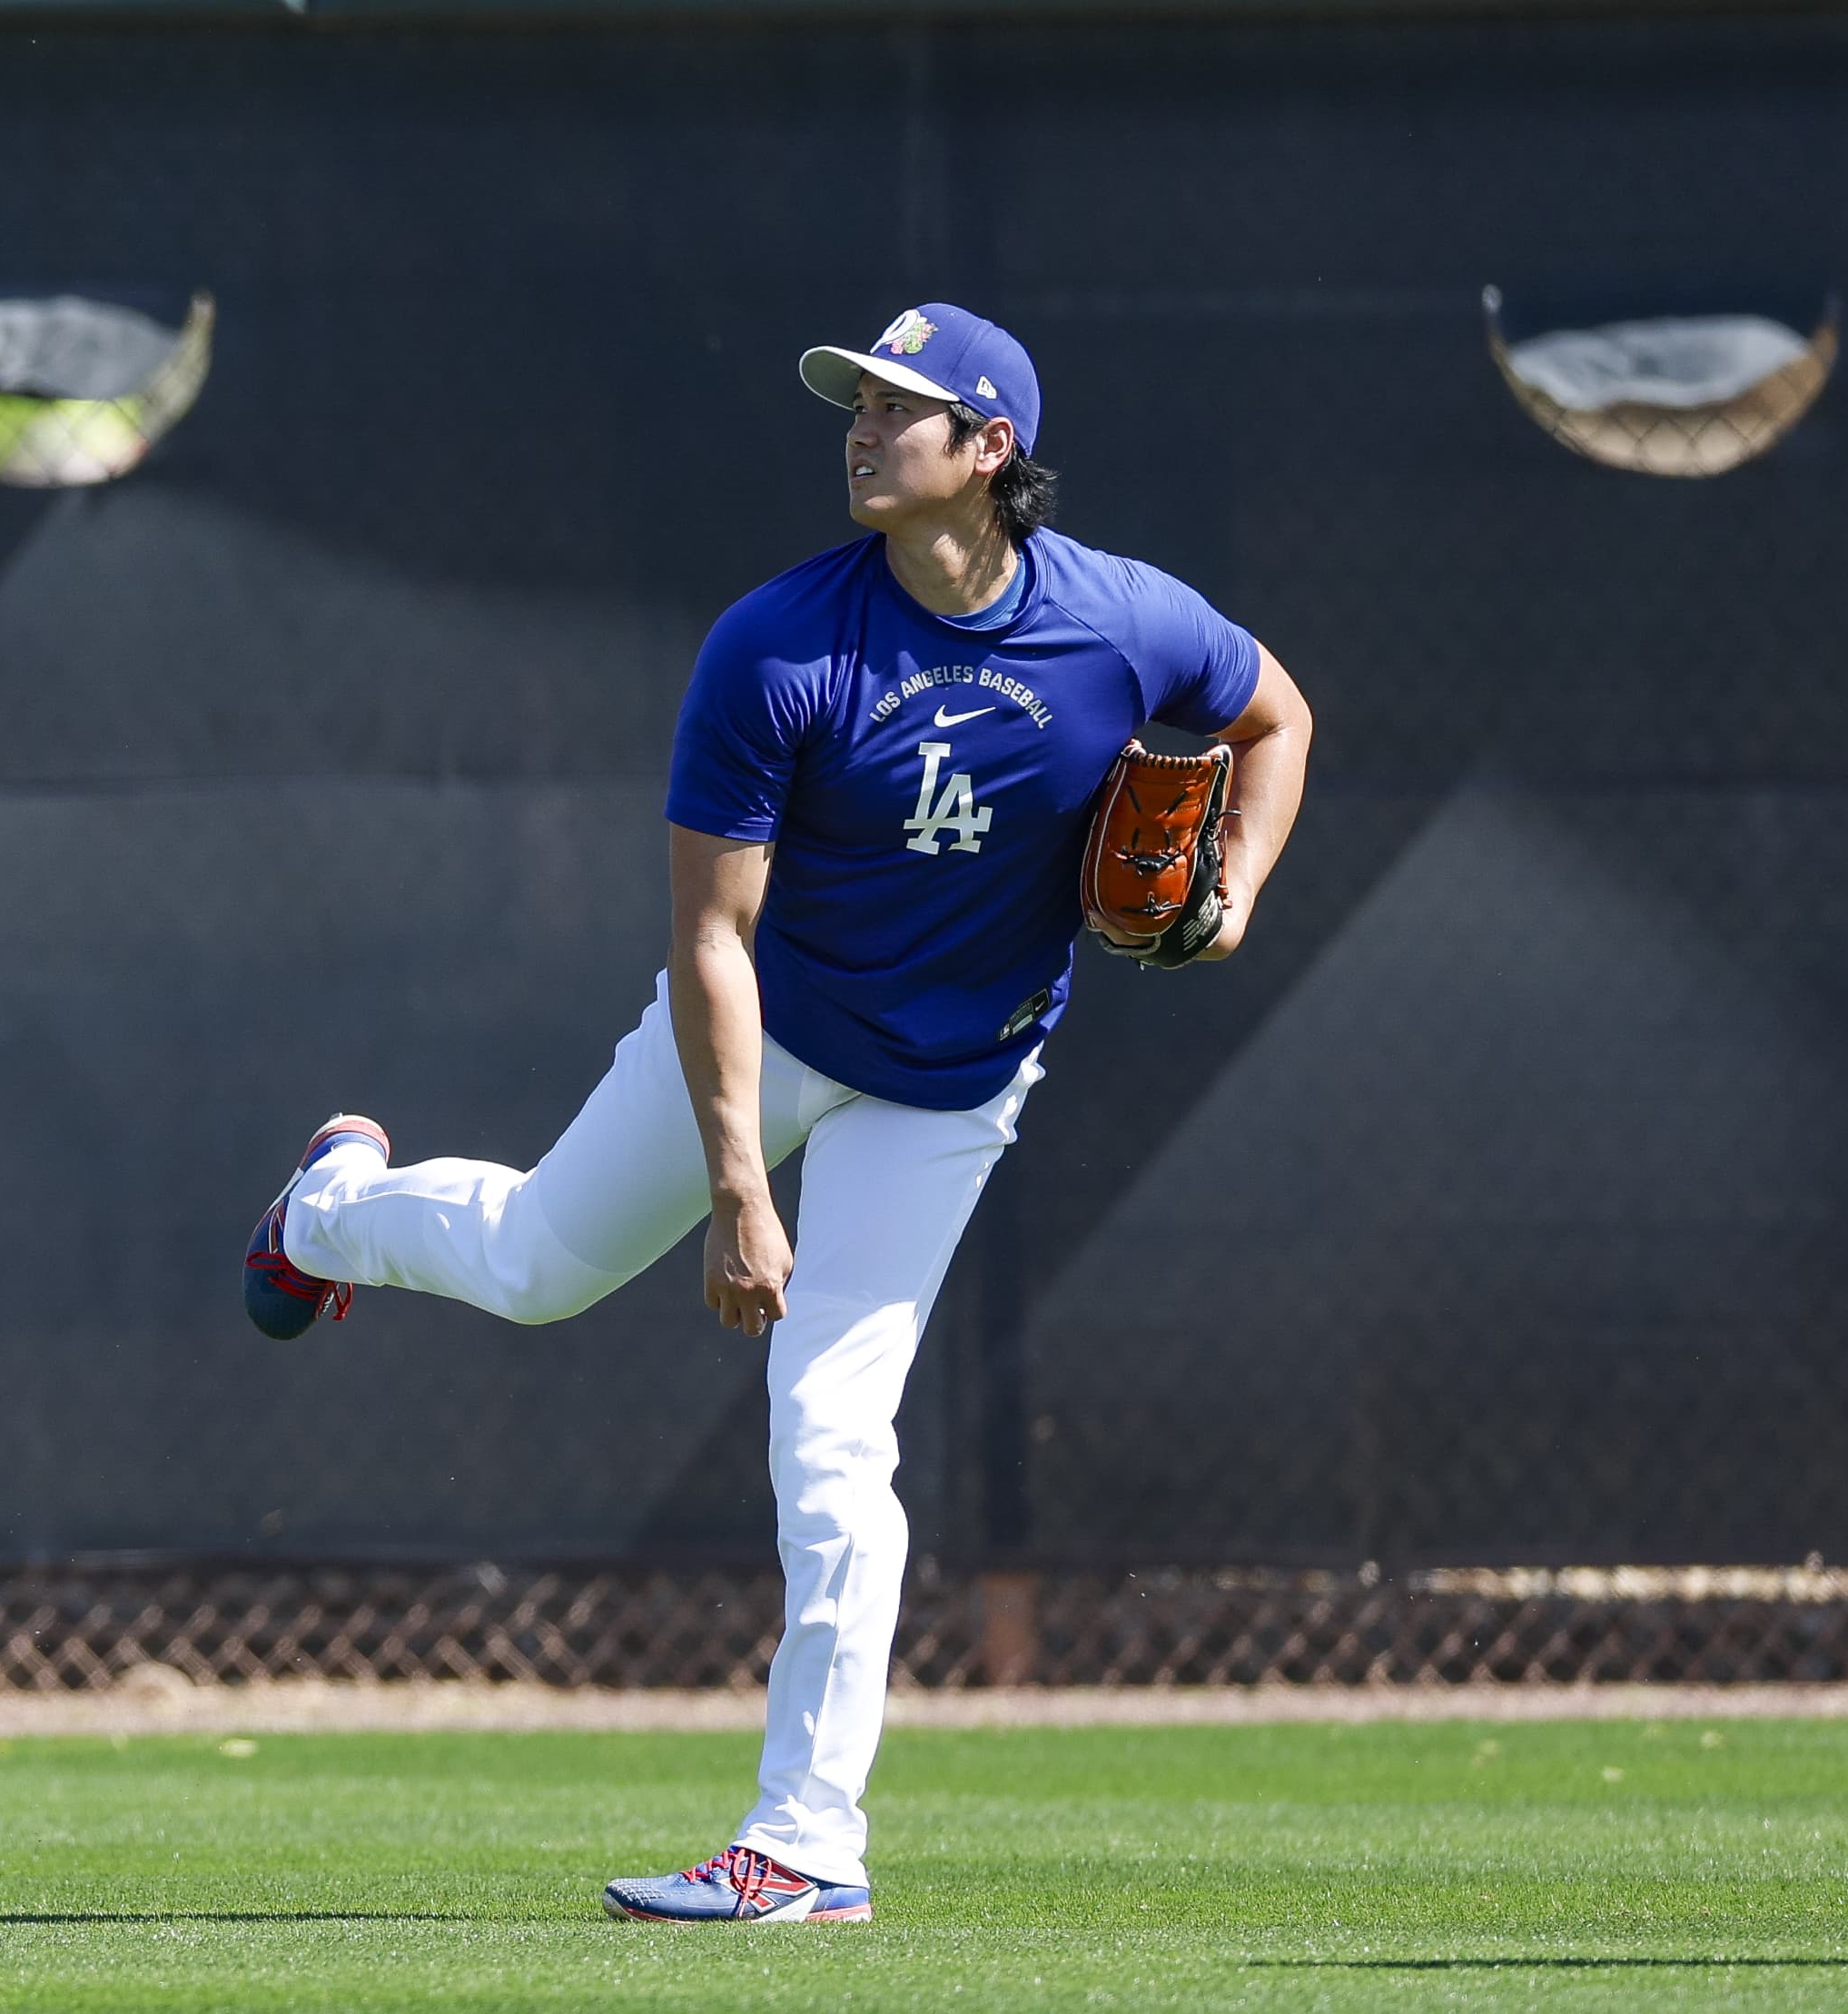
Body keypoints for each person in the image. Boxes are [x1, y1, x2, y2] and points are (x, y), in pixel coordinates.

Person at [242, 303, 1313, 1923]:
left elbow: (1277, 718)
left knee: (830, 1435)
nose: (864, 428)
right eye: (856, 403)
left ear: (992, 446)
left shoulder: (1120, 621)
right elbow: (709, 939)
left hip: (953, 1078)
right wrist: (743, 1184)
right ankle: (329, 1207)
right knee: (541, 1263)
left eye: (904, 407)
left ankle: (805, 1842)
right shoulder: (782, 645)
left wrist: (1231, 889)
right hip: (773, 1024)